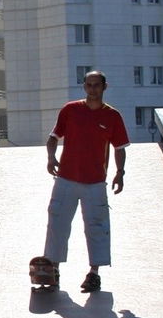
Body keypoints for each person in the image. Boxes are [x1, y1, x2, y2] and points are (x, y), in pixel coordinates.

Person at [38, 70, 128, 293]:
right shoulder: (71, 110)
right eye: (88, 85)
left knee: (96, 227)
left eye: (96, 85)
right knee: (57, 222)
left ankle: (94, 273)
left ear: (104, 87)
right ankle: (52, 269)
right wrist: (51, 157)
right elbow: (53, 137)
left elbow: (120, 148)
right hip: (66, 179)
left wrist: (120, 172)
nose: (92, 89)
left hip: (95, 182)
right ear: (84, 87)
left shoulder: (112, 116)